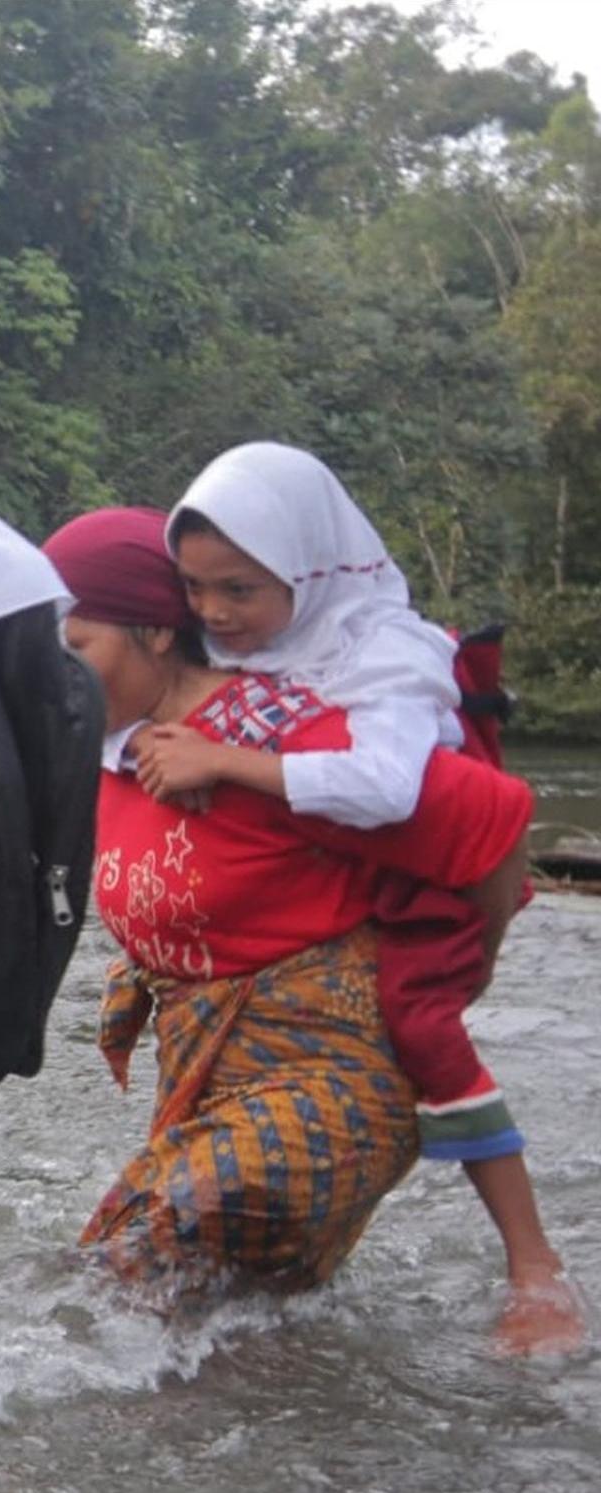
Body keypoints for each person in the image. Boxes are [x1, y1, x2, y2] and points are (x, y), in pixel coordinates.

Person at [43, 507, 581, 1355]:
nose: (56, 673)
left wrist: (465, 975)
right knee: (219, 1336)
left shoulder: (274, 738)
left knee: (138, 1265)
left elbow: (496, 821)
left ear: (153, 631)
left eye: (74, 646)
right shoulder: (111, 749)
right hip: (212, 1075)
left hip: (339, 1071)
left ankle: (539, 1277)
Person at [130, 443, 528, 1177]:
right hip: (353, 882)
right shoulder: (256, 639)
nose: (213, 611)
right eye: (193, 587)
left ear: (309, 572)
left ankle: (529, 1256)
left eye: (239, 590)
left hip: (434, 885)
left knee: (424, 1028)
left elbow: (385, 788)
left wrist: (223, 761)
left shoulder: (386, 655)